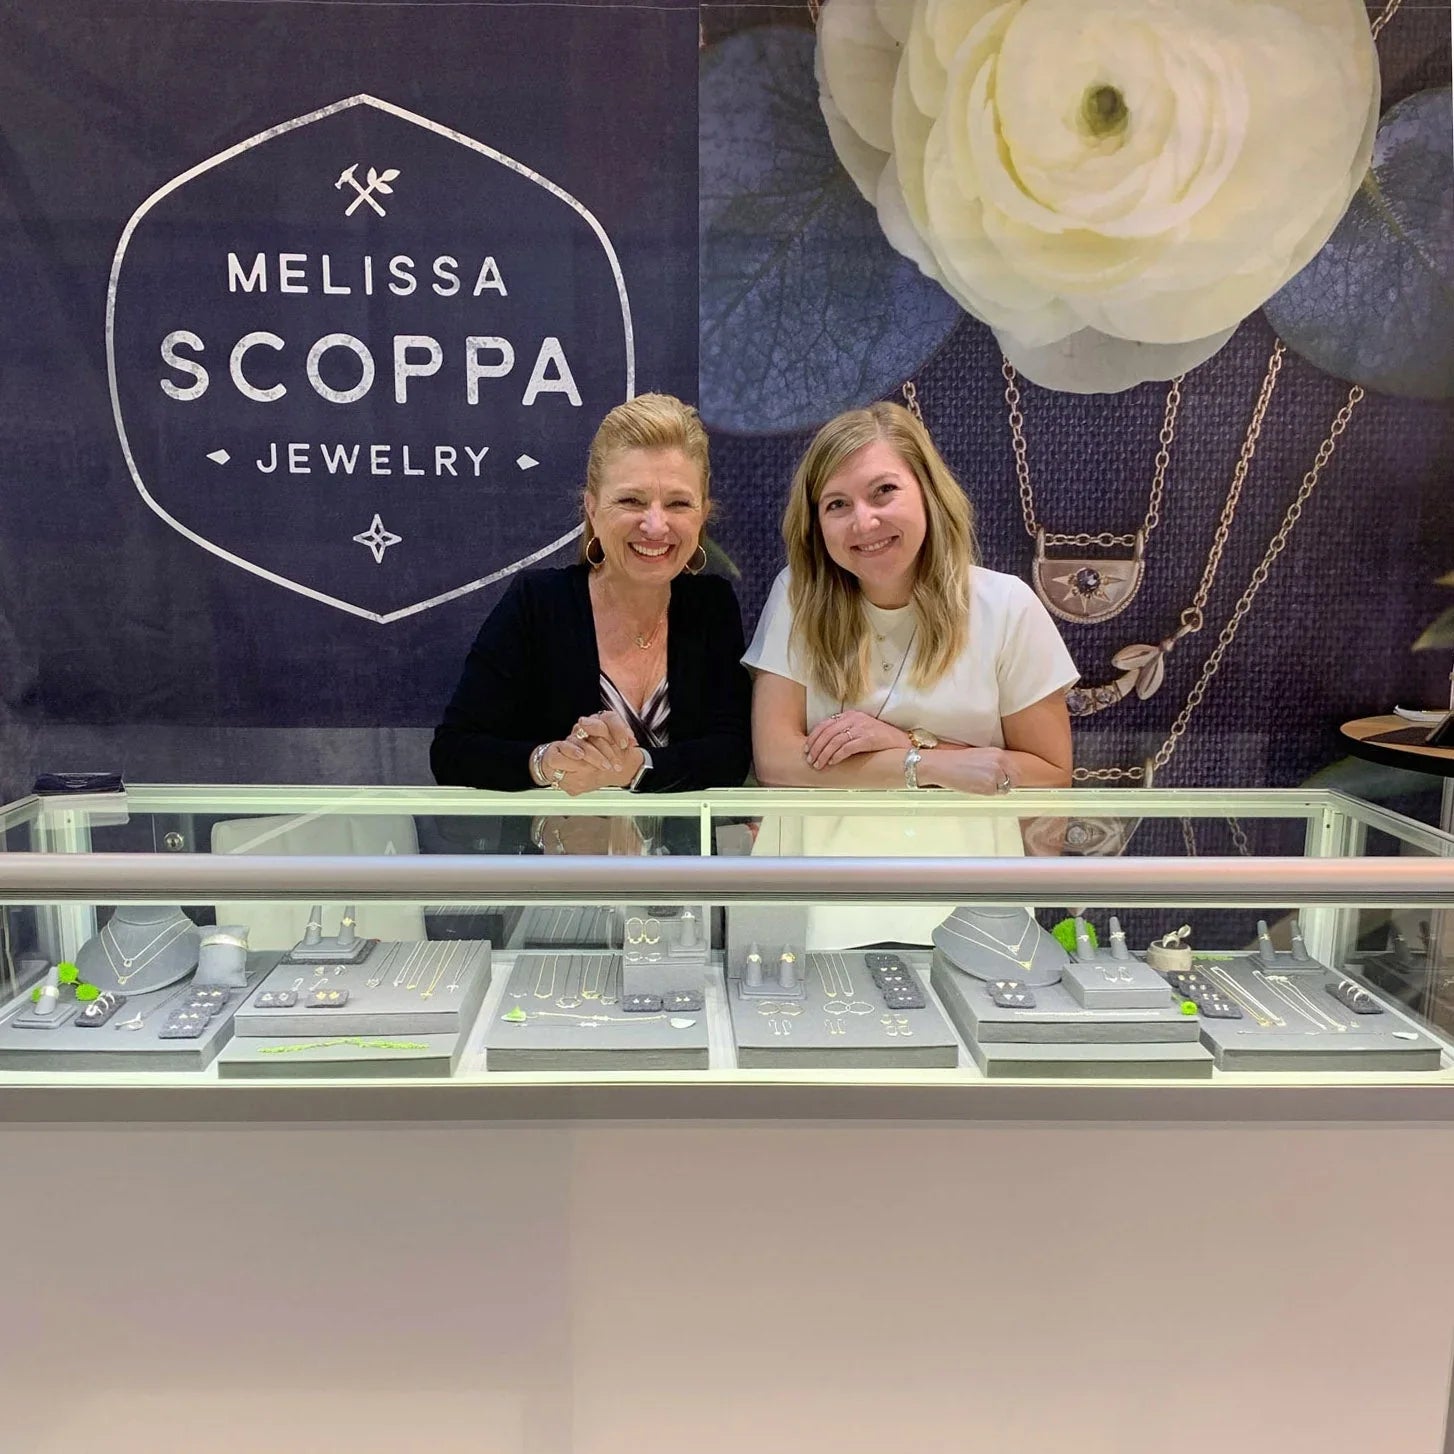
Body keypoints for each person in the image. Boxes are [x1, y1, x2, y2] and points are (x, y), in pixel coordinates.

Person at [743, 401, 1077, 946]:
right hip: (817, 907)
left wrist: (907, 743)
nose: (864, 522)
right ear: (815, 523)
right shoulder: (797, 598)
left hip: (969, 909)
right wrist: (926, 763)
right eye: (837, 504)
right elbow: (778, 763)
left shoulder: (1006, 606)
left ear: (927, 490)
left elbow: (1048, 777)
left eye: (883, 492)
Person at [431, 394, 753, 824]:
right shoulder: (538, 603)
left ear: (703, 514)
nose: (655, 525)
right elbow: (454, 752)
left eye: (678, 503)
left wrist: (634, 768)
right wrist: (548, 762)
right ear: (592, 509)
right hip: (562, 883)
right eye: (631, 501)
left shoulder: (712, 606)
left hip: (683, 882)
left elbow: (731, 753)